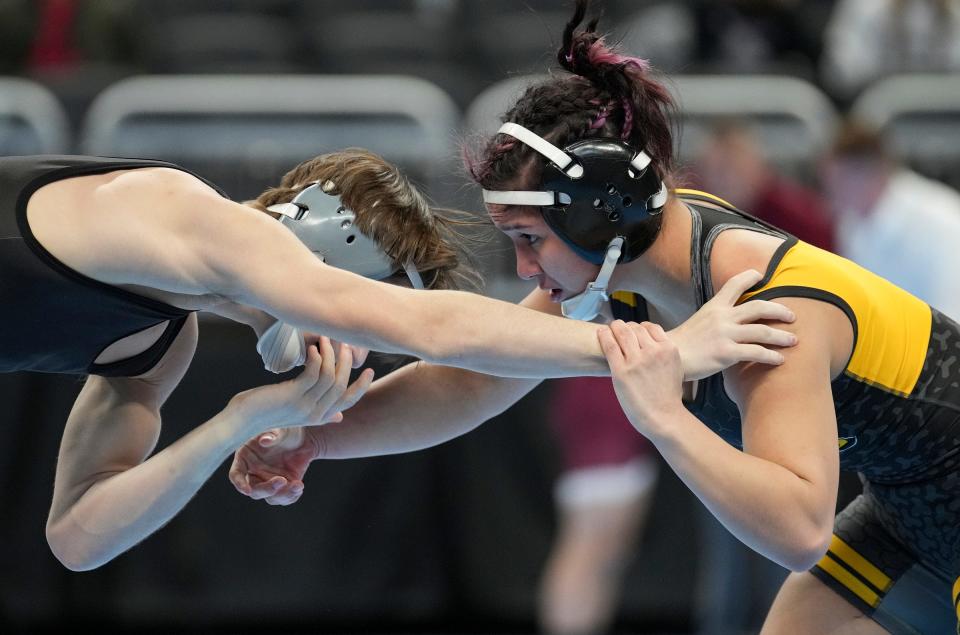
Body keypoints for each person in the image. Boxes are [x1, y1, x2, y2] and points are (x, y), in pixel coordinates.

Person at [230, 3, 960, 633]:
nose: (523, 270)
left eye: (527, 239)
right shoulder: (619, 267)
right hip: (911, 517)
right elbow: (471, 383)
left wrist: (664, 419)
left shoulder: (764, 304)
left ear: (601, 213)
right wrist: (317, 442)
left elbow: (799, 528)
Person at [0, 147, 793, 572]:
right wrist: (655, 351)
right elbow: (437, 330)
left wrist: (229, 425)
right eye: (358, 313)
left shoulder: (160, 340)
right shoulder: (191, 214)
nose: (343, 350)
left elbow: (78, 538)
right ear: (319, 238)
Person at [821, 118, 960, 320]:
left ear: (867, 174)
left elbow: (953, 317)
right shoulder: (850, 222)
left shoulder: (943, 222)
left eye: (837, 183)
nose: (831, 195)